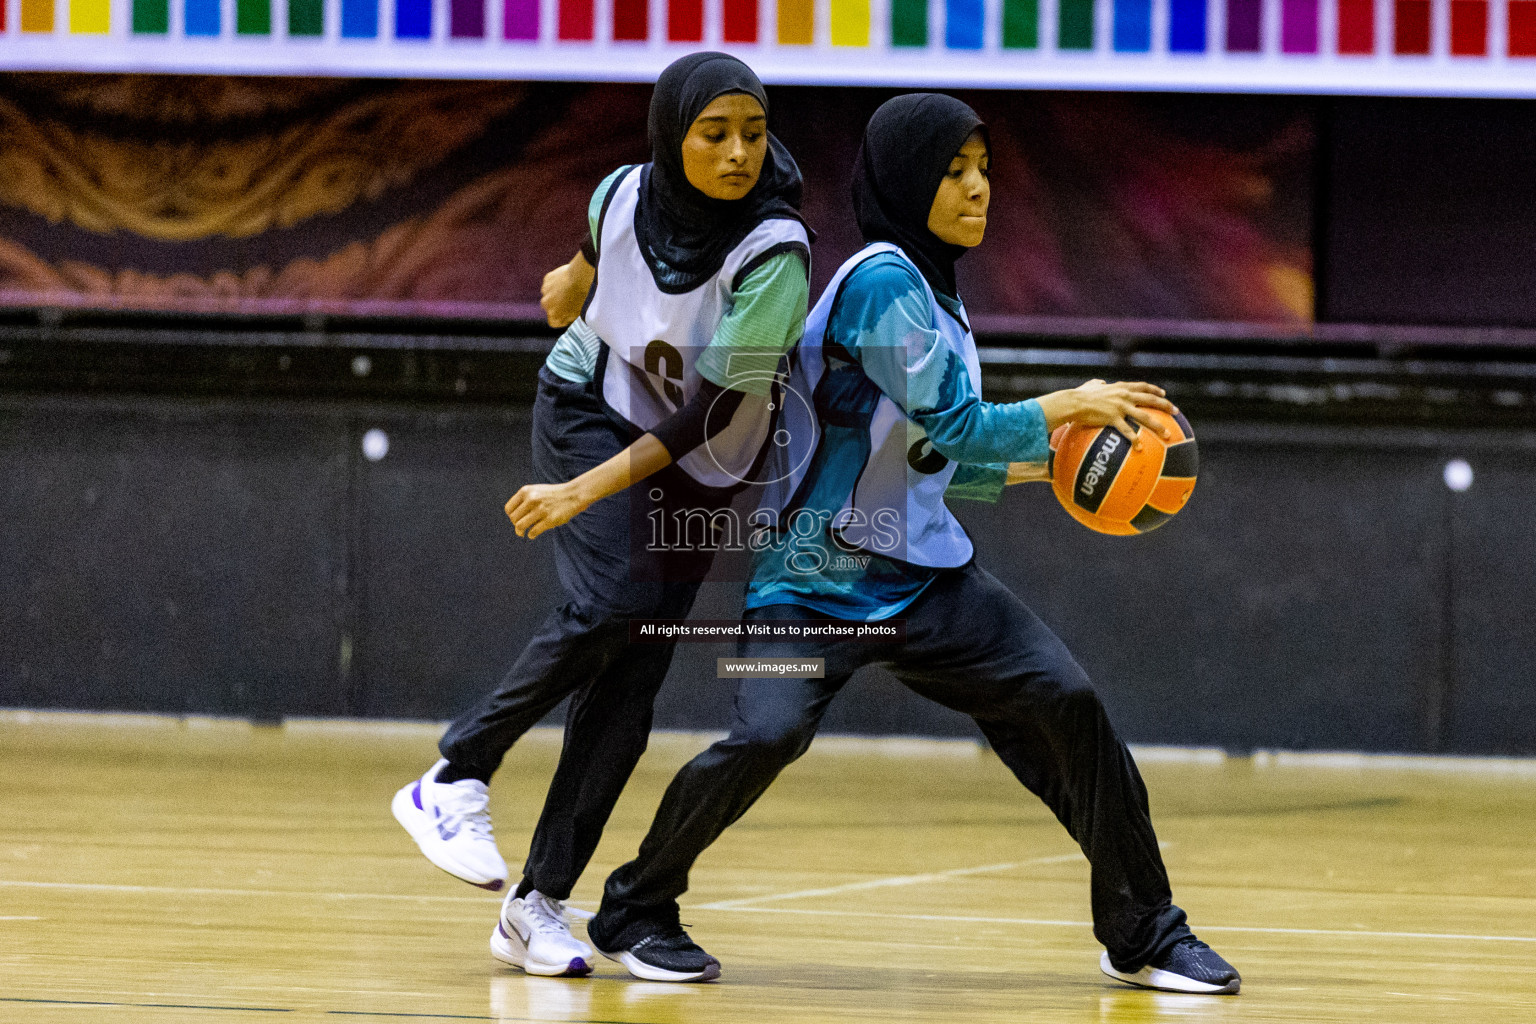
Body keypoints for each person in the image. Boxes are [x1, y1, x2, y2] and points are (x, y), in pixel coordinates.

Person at [584, 94, 1242, 995]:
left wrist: (1053, 469)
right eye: (954, 171)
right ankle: (634, 910)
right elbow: (962, 425)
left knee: (1067, 706)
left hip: (925, 581)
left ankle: (1144, 931)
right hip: (812, 582)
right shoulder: (882, 282)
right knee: (764, 737)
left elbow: (928, 454)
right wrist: (1069, 406)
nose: (978, 189)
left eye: (985, 173)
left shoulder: (936, 296)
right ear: (904, 180)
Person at [390, 52, 811, 980]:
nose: (739, 152)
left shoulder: (774, 250)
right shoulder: (621, 189)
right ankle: (454, 773)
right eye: (715, 134)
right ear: (672, 136)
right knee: (614, 600)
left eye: (754, 132)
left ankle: (534, 905)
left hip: (698, 457)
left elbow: (714, 410)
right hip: (589, 406)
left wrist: (585, 492)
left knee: (628, 687)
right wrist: (570, 279)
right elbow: (592, 253)